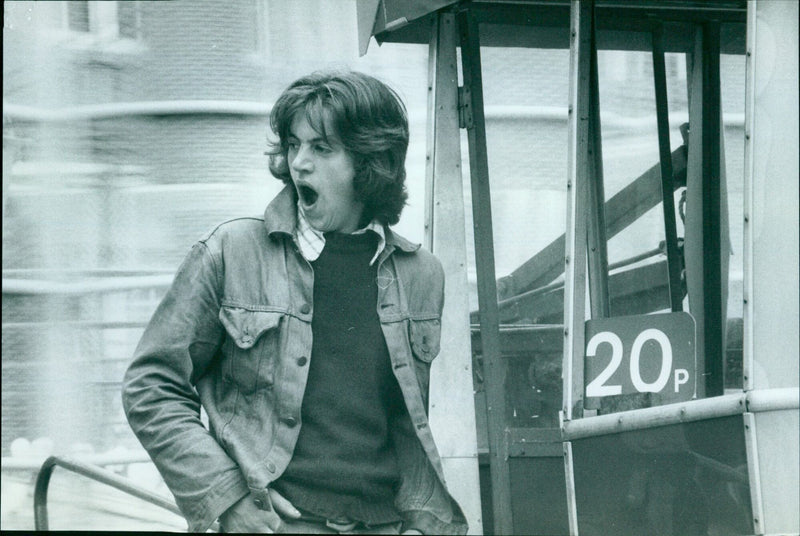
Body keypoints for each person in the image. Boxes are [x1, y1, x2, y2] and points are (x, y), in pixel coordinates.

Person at [122, 70, 468, 535]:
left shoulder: (421, 274)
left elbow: (406, 424)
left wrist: (421, 524)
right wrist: (226, 498)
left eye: (322, 148)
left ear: (369, 163)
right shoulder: (231, 251)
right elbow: (151, 385)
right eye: (292, 144)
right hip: (279, 523)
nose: (299, 163)